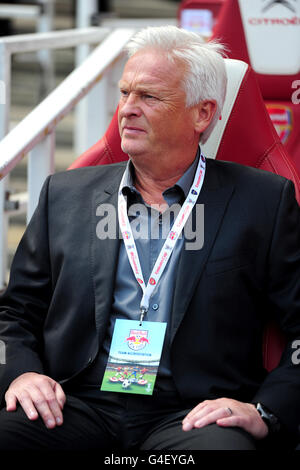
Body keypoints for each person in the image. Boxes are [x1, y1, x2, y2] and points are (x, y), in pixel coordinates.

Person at [0, 25, 299, 451]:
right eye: (124, 93)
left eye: (149, 96)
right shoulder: (64, 194)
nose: (126, 109)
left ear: (203, 114)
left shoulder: (264, 202)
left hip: (194, 414)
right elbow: (14, 311)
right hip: (73, 403)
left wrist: (265, 411)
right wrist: (21, 374)